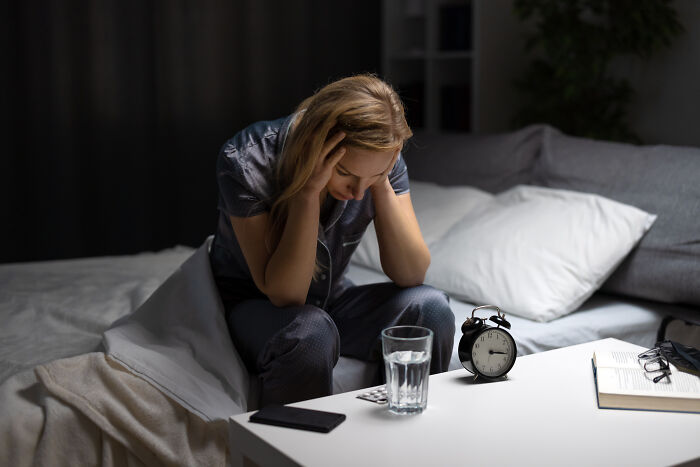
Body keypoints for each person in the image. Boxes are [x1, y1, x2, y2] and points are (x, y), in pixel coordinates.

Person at [210, 74, 455, 407]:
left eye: (370, 178)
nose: (357, 193)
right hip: (255, 309)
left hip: (329, 301)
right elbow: (287, 295)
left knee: (430, 308)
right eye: (346, 174)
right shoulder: (246, 159)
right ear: (316, 142)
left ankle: (406, 441)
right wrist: (308, 191)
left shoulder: (379, 164)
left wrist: (380, 179)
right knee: (310, 333)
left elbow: (411, 275)